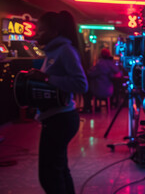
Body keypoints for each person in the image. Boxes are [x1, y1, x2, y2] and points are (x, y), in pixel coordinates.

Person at [31, 10, 88, 194]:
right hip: (56, 118)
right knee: (59, 170)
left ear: (54, 32)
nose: (36, 34)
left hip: (61, 119)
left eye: (40, 31)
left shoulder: (65, 50)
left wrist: (47, 78)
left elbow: (81, 84)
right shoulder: (54, 50)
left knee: (49, 176)